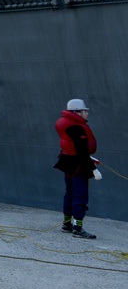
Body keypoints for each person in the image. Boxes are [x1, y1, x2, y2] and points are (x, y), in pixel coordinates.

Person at [54, 98, 100, 239]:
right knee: (80, 196)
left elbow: (73, 147)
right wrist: (93, 169)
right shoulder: (76, 127)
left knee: (69, 194)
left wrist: (87, 157)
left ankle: (66, 224)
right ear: (77, 113)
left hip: (68, 162)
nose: (87, 113)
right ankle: (78, 228)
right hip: (78, 165)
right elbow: (81, 151)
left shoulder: (65, 123)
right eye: (84, 111)